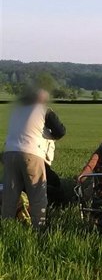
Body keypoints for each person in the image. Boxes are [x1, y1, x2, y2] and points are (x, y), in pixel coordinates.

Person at [1, 89, 66, 228]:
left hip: (9, 153)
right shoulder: (44, 110)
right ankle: (39, 228)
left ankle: (7, 227)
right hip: (31, 153)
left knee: (10, 196)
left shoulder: (16, 112)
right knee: (37, 195)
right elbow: (60, 131)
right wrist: (48, 135)